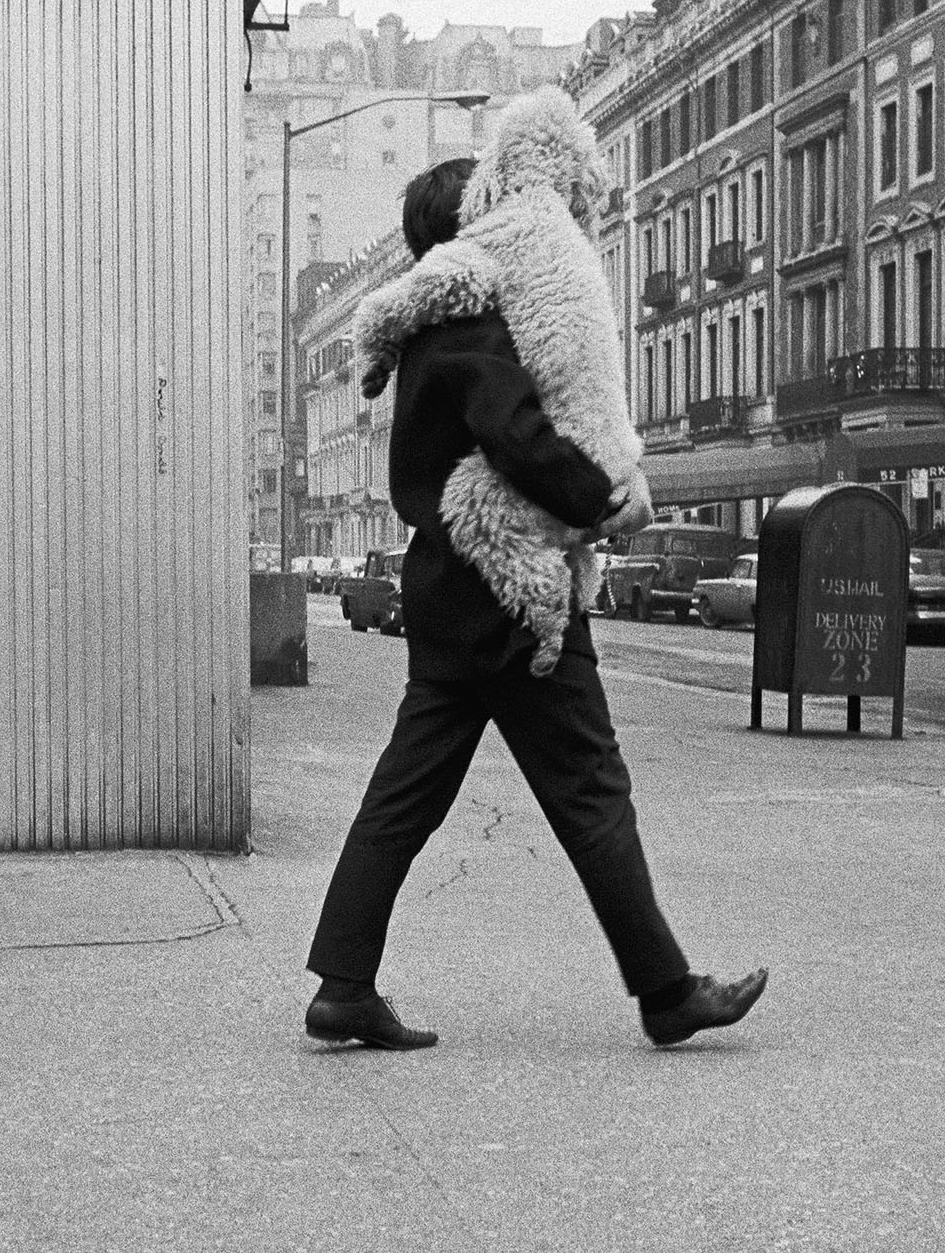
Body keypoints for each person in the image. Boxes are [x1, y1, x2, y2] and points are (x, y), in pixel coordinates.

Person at [302, 156, 767, 1052]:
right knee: (590, 788)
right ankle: (666, 991)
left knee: (407, 794)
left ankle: (343, 982)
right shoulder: (470, 318)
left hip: (444, 592)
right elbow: (519, 437)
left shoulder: (422, 332)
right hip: (510, 592)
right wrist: (602, 499)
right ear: (475, 223)